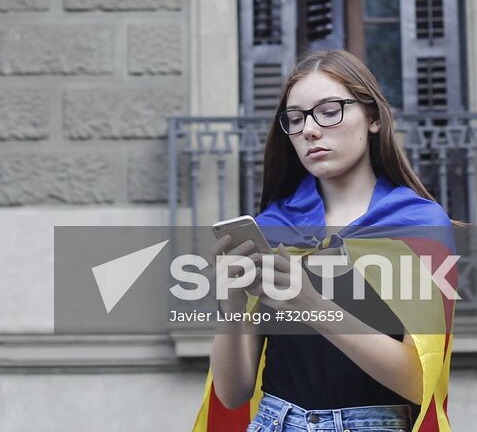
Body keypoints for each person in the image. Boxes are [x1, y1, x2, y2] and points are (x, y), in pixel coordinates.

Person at [190, 48, 461, 432]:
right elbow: (233, 394)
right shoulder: (272, 229)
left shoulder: (417, 227)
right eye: (296, 119)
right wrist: (232, 301)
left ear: (373, 118)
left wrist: (310, 303)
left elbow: (420, 383)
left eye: (330, 111)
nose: (310, 130)